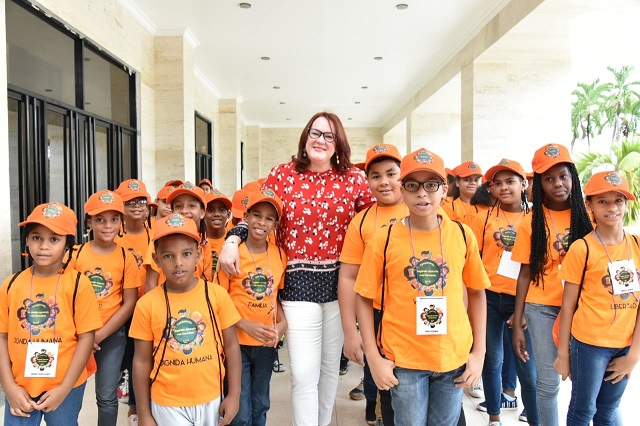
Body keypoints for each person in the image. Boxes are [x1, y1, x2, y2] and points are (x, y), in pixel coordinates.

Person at [219, 112, 375, 426]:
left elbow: (374, 219)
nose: (320, 140)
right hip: (297, 283)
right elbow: (256, 216)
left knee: (330, 369)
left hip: (339, 284)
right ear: (305, 138)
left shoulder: (353, 179)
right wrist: (232, 241)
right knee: (304, 373)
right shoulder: (282, 175)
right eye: (315, 133)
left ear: (337, 144)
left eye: (329, 136)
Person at [355, 148, 489, 426]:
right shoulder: (385, 239)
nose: (422, 194)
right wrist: (373, 357)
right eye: (413, 185)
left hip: (452, 356)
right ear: (402, 190)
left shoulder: (462, 236)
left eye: (431, 185)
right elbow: (364, 298)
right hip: (404, 360)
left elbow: (477, 292)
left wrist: (479, 353)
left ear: (444, 190)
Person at [130, 213, 242, 426]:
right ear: (156, 260)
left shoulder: (216, 295)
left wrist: (234, 395)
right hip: (167, 402)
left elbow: (232, 346)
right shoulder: (147, 304)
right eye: (168, 256)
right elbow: (141, 361)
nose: (178, 263)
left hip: (211, 398)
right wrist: (143, 412)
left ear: (198, 255)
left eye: (186, 253)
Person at [512, 143, 593, 426]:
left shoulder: (589, 217)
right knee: (548, 383)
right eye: (548, 179)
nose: (557, 184)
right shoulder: (530, 222)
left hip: (583, 307)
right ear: (538, 184)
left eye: (563, 176)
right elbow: (524, 273)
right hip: (542, 307)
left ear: (573, 176)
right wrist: (518, 317)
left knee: (585, 383)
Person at [0, 202, 102, 425]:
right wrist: (8, 386)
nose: (44, 246)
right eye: (36, 238)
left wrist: (64, 389)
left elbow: (86, 338)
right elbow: (2, 337)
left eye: (54, 239)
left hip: (65, 385)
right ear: (26, 240)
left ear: (68, 244)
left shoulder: (79, 284)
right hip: (21, 386)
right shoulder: (11, 285)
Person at [554, 171, 640, 425]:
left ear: (626, 204)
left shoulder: (636, 245)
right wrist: (563, 355)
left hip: (625, 346)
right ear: (589, 204)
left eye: (618, 200)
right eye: (602, 201)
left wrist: (633, 355)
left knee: (609, 409)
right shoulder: (583, 248)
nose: (611, 207)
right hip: (589, 345)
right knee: (583, 410)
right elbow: (568, 307)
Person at [338, 143, 405, 425]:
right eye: (376, 176)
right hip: (378, 315)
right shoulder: (362, 221)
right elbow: (348, 276)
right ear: (367, 182)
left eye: (391, 173)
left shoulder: (428, 212)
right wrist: (350, 332)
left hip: (420, 316)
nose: (384, 182)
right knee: (387, 389)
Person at [469, 159, 539, 426]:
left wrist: (525, 308)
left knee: (526, 367)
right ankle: (494, 418)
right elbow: (472, 259)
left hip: (522, 300)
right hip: (488, 298)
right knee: (492, 360)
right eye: (497, 183)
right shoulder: (482, 218)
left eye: (510, 181)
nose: (503, 187)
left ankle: (534, 418)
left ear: (524, 184)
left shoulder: (535, 219)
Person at [68, 190, 140, 426]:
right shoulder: (75, 255)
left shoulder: (125, 257)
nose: (107, 226)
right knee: (70, 391)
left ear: (121, 222)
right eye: (100, 220)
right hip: (76, 336)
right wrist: (84, 336)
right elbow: (67, 297)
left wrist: (98, 335)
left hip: (110, 336)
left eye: (113, 219)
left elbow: (128, 303)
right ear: (89, 222)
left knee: (106, 397)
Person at [216, 190, 287, 426]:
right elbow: (219, 301)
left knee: (260, 403)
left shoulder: (279, 254)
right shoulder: (231, 255)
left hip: (266, 344)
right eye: (256, 215)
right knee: (241, 409)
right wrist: (244, 325)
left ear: (275, 224)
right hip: (236, 343)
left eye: (269, 218)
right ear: (246, 217)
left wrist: (282, 325)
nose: (262, 222)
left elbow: (277, 296)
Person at [205, 189, 232, 277]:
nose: (216, 214)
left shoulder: (234, 241)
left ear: (228, 214)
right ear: (202, 213)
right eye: (210, 210)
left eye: (221, 210)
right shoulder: (197, 241)